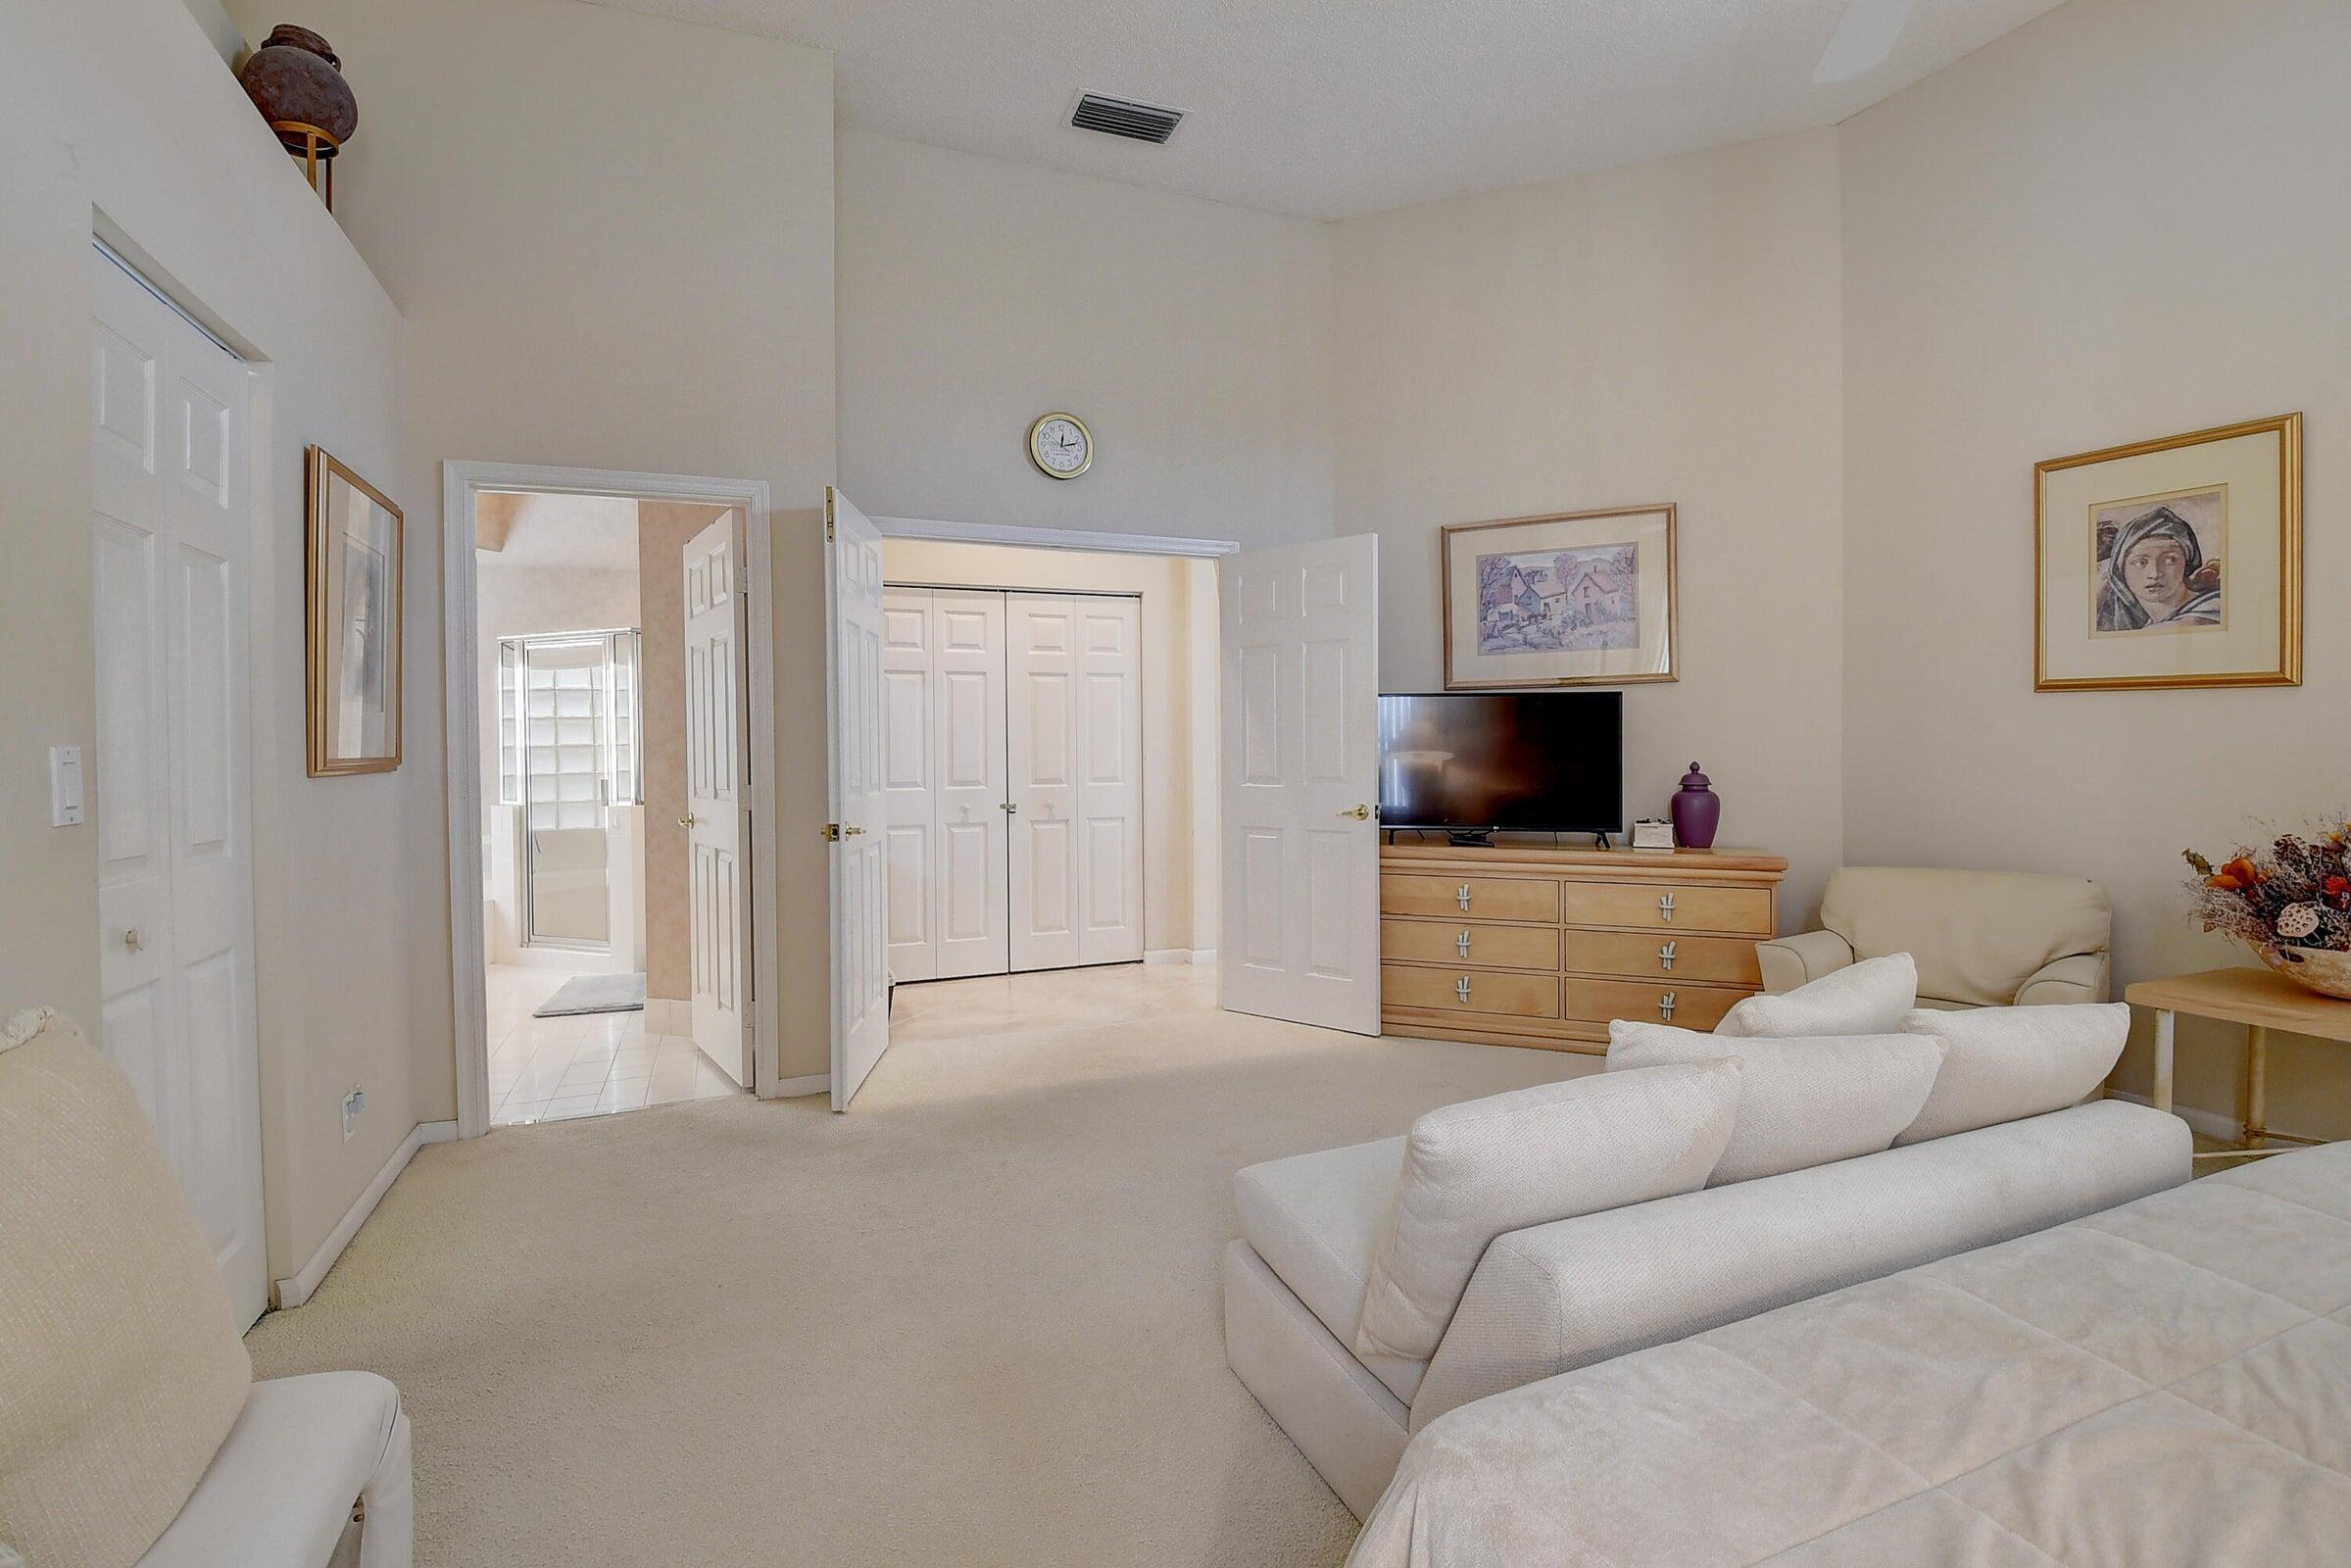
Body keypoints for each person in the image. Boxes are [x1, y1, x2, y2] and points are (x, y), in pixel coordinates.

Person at [2097, 504, 2221, 631]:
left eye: (2170, 560)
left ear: (2186, 563)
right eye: (2140, 562)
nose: (2155, 573)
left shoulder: (2213, 608)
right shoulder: (2149, 624)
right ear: (2120, 570)